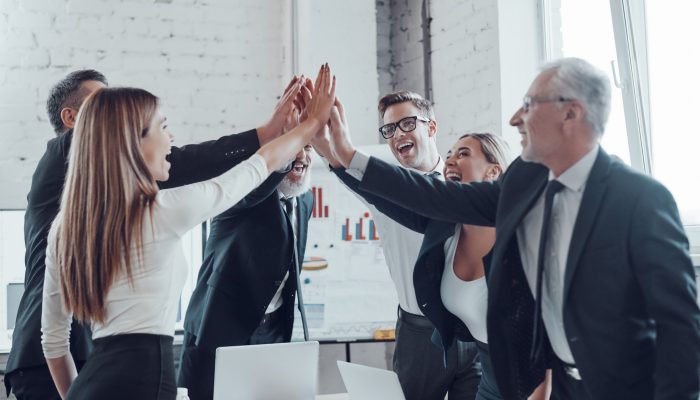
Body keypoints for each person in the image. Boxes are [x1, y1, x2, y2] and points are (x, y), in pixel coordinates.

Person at [325, 57, 700, 400]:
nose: (515, 119)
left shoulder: (640, 199)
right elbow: (436, 199)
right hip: (552, 382)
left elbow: (680, 332)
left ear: (571, 114)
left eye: (530, 105)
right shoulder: (524, 180)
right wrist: (345, 155)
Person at [4, 69, 304, 400]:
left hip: (88, 361)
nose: (115, 112)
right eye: (101, 104)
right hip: (53, 363)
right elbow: (197, 169)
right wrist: (268, 134)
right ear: (74, 118)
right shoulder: (69, 151)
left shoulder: (115, 205)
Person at [311, 90, 481, 400]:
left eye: (406, 124)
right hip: (421, 334)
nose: (396, 134)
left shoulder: (465, 182)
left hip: (473, 331)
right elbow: (343, 168)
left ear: (431, 127)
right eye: (389, 129)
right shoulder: (385, 189)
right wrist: (323, 137)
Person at [177, 118, 316, 399]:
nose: (302, 156)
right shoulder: (241, 194)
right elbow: (251, 192)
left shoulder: (304, 200)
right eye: (293, 147)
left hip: (273, 329)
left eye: (308, 147)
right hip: (218, 327)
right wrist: (283, 159)